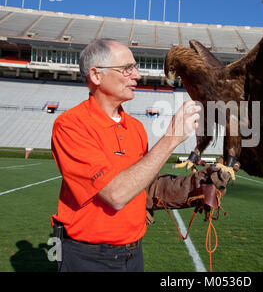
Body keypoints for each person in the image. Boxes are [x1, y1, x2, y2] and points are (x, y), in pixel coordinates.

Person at [50, 39, 230, 272]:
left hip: (132, 253)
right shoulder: (71, 126)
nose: (137, 75)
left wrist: (193, 186)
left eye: (135, 67)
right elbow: (116, 194)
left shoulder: (135, 128)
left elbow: (142, 185)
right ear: (96, 75)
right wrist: (171, 139)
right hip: (88, 257)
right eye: (127, 68)